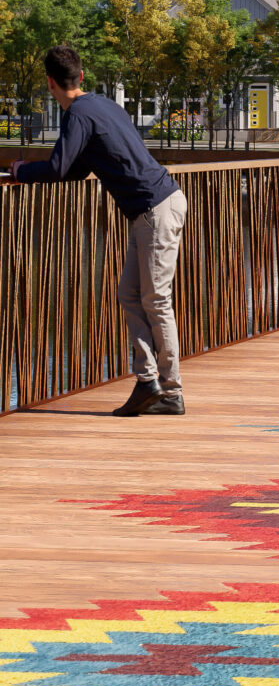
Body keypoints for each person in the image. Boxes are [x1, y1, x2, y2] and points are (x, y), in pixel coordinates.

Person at [1, 43, 189, 416]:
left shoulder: (77, 116)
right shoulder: (103, 105)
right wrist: (33, 171)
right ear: (81, 76)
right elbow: (75, 167)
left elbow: (57, 168)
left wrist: (21, 170)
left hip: (154, 209)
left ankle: (170, 392)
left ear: (50, 83)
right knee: (130, 294)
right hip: (153, 207)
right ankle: (148, 382)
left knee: (156, 300)